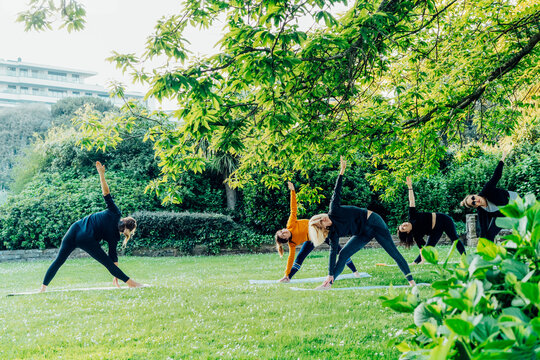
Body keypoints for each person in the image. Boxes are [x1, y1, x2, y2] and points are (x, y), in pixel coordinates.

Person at [311, 157, 415, 290]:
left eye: (320, 217)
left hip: (374, 222)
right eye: (321, 223)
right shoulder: (333, 234)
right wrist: (330, 274)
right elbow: (332, 252)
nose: (323, 219)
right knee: (343, 254)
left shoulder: (334, 210)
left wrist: (341, 172)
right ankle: (328, 284)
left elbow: (336, 192)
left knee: (393, 253)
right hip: (363, 233)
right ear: (323, 228)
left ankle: (412, 282)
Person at [39, 161, 143, 292]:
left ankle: (42, 288)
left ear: (124, 219)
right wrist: (116, 274)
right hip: (86, 239)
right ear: (128, 231)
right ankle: (131, 283)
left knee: (58, 261)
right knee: (107, 263)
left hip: (74, 229)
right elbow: (112, 258)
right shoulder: (115, 236)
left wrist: (101, 174)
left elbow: (106, 193)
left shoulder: (115, 213)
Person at [275, 181, 361, 282]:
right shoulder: (292, 243)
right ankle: (288, 278)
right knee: (300, 257)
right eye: (283, 233)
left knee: (339, 251)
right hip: (312, 239)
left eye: (282, 230)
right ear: (285, 238)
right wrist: (286, 273)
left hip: (322, 231)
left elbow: (293, 209)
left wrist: (292, 191)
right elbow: (291, 258)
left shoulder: (290, 224)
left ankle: (355, 271)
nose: (284, 230)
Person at [398, 176, 466, 264]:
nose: (404, 225)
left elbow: (411, 201)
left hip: (443, 219)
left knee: (454, 239)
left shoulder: (412, 217)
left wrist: (410, 187)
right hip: (435, 231)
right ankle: (416, 262)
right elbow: (422, 249)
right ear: (407, 232)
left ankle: (465, 258)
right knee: (428, 247)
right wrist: (422, 260)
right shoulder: (416, 235)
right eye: (403, 228)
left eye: (402, 225)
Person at [460, 149, 518, 241]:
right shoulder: (481, 210)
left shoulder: (487, 190)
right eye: (473, 203)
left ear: (475, 194)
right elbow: (483, 229)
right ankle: (487, 253)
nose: (476, 200)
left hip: (514, 201)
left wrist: (503, 157)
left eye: (473, 198)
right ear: (475, 206)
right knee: (489, 235)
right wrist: (483, 242)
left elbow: (496, 176)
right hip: (503, 215)